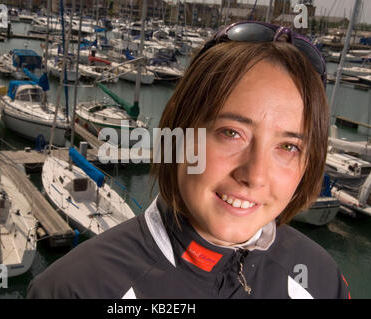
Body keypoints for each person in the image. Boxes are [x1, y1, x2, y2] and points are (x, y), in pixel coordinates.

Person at [27, 21, 350, 299]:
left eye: (289, 147)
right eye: (230, 133)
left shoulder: (321, 277)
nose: (255, 175)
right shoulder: (75, 288)